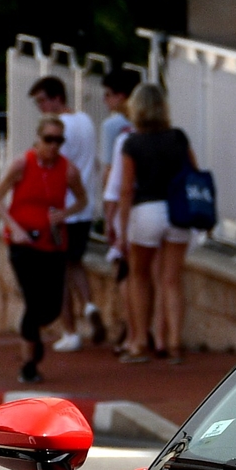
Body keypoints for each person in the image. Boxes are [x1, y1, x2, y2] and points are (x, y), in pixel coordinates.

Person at [0, 113, 88, 383]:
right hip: (23, 244)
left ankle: (34, 339)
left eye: (58, 140)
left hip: (53, 243)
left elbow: (82, 200)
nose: (53, 146)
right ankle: (28, 363)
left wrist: (65, 213)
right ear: (38, 139)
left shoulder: (68, 170)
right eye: (48, 139)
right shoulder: (22, 164)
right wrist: (13, 226)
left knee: (52, 306)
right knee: (33, 300)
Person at [113, 82, 195, 365]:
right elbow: (193, 173)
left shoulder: (131, 143)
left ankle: (139, 342)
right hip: (177, 212)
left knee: (139, 276)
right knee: (171, 280)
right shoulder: (178, 137)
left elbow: (126, 189)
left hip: (146, 210)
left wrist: (122, 230)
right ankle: (173, 344)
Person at [24, 76, 101, 352]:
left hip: (61, 209)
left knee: (60, 272)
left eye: (42, 101)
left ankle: (70, 331)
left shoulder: (57, 129)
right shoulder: (87, 122)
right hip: (84, 207)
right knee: (75, 263)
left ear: (56, 97)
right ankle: (90, 305)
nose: (41, 107)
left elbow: (50, 163)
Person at [97, 67, 140, 307]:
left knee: (122, 266)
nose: (105, 100)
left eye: (108, 95)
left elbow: (108, 170)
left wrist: (108, 211)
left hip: (123, 201)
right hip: (147, 201)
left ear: (121, 97)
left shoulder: (113, 126)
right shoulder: (149, 122)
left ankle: (130, 326)